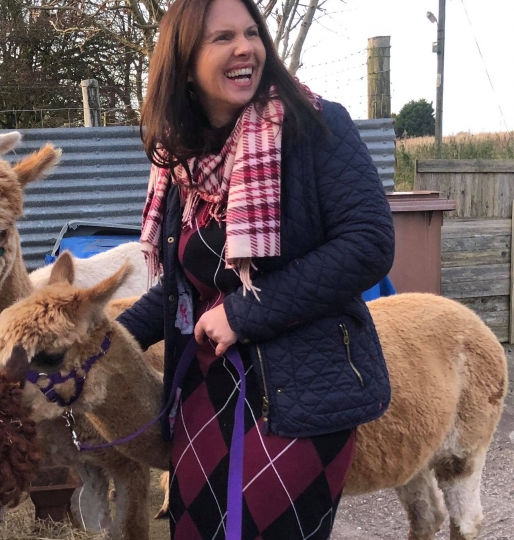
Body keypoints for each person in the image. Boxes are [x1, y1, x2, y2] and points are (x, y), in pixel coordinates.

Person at [115, 0, 395, 538]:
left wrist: (242, 314)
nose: (245, 48)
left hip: (301, 393)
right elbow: (182, 291)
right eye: (222, 38)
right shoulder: (179, 160)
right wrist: (98, 342)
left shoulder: (316, 127)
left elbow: (367, 245)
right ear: (184, 62)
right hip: (204, 393)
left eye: (251, 33)